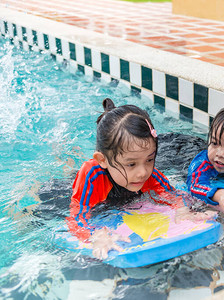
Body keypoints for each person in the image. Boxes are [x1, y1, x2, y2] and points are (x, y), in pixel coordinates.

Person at [66, 98, 202, 260]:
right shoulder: (92, 175)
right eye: (131, 164)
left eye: (149, 160)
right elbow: (76, 216)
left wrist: (183, 211)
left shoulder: (150, 174)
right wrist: (96, 236)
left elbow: (174, 196)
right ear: (103, 160)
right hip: (81, 190)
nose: (142, 172)